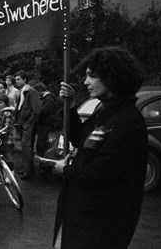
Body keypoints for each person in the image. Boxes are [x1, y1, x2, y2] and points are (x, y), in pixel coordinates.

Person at [52, 47, 147, 249]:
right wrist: (70, 107)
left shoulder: (127, 122)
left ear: (113, 76)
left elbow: (98, 174)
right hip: (79, 217)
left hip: (99, 226)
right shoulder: (103, 110)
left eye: (92, 76)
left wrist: (64, 169)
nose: (86, 82)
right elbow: (81, 141)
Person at [14, 70, 41, 179]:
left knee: (26, 146)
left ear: (24, 79)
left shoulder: (31, 91)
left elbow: (37, 109)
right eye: (15, 80)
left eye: (18, 79)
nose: (16, 81)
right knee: (24, 146)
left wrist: (29, 122)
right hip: (21, 122)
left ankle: (28, 170)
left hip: (27, 123)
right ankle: (27, 168)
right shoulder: (21, 91)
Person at [33, 82, 57, 175]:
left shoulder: (49, 99)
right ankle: (42, 165)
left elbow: (43, 111)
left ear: (40, 90)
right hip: (43, 125)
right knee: (41, 144)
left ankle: (45, 166)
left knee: (43, 145)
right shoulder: (46, 99)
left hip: (45, 125)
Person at [0, 93, 16, 170]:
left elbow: (6, 128)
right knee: (3, 156)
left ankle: (11, 174)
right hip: (1, 139)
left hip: (7, 140)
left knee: (8, 157)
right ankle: (5, 174)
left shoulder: (7, 113)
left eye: (1, 103)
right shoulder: (1, 112)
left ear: (6, 103)